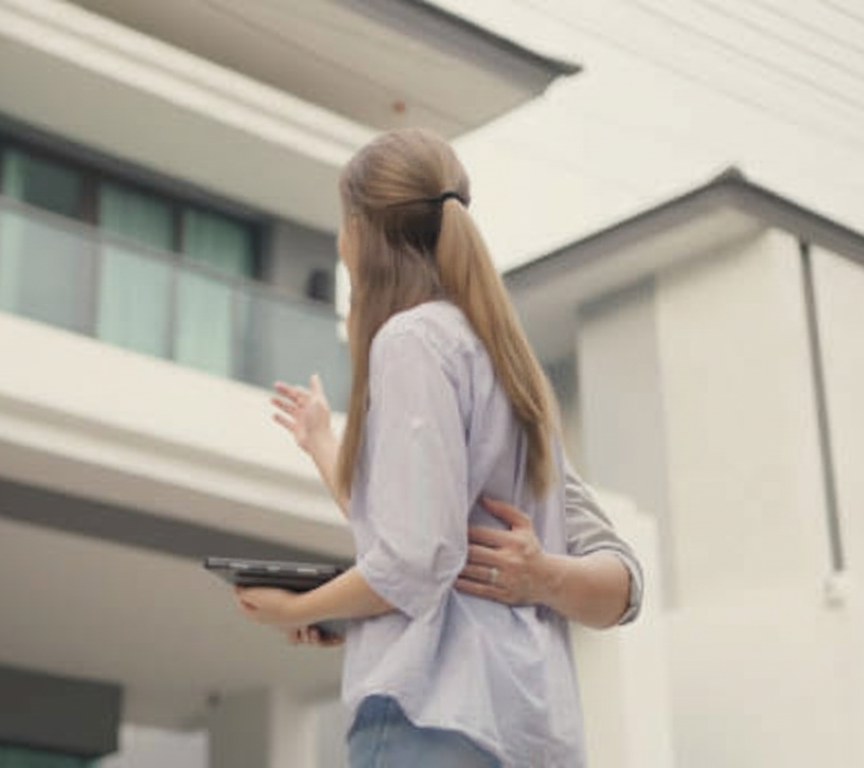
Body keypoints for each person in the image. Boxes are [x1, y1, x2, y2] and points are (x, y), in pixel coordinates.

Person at [232, 128, 614, 767]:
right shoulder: (509, 363)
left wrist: (296, 607)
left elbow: (414, 560)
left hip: (434, 712)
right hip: (526, 721)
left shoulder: (410, 342)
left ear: (361, 229)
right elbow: (415, 528)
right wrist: (323, 442)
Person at [270, 375, 642, 638]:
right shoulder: (396, 420)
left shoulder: (510, 425)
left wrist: (543, 576)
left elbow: (624, 587)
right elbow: (389, 534)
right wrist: (319, 439)